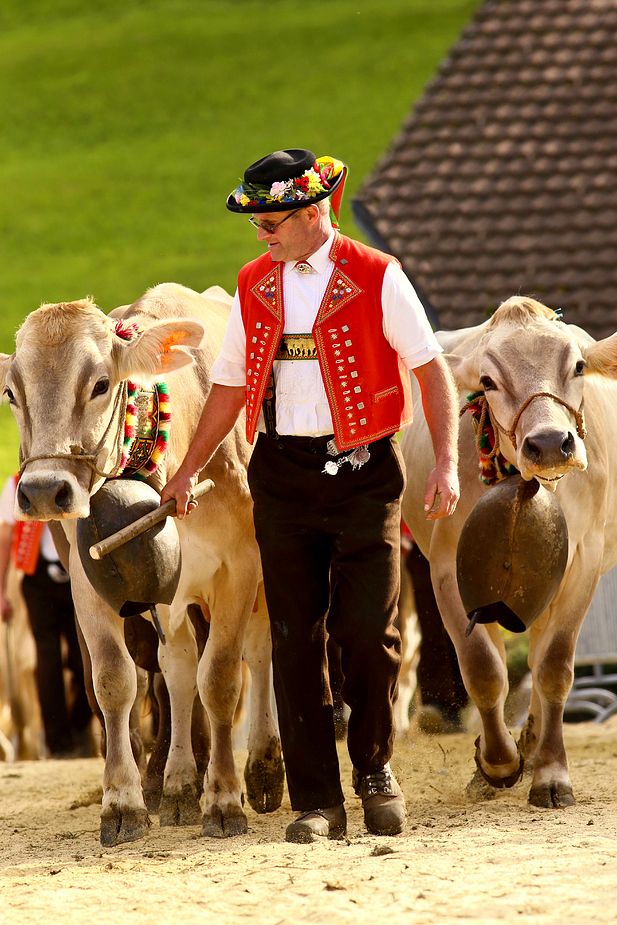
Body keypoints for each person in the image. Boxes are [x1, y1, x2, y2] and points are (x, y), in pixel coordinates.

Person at [161, 148, 460, 843]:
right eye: (257, 219)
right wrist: (184, 472)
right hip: (281, 475)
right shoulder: (252, 283)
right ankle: (316, 799)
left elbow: (430, 368)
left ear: (312, 210)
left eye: (270, 219)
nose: (260, 232)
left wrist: (443, 461)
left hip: (364, 475)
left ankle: (375, 771)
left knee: (365, 632)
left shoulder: (377, 275)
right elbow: (231, 384)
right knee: (294, 638)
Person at [0, 474, 92, 758]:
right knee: (47, 660)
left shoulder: (80, 477)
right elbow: (5, 535)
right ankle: (59, 744)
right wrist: (1, 590)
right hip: (37, 577)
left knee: (83, 658)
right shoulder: (16, 483)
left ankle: (79, 727)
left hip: (80, 575)